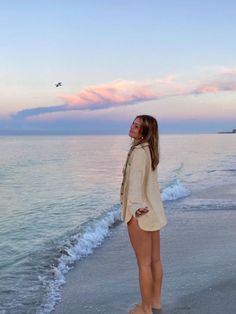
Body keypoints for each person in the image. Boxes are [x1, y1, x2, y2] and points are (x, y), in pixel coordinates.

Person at [120, 115, 167, 314]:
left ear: (145, 132)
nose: (133, 127)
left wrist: (135, 207)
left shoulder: (139, 152)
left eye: (138, 126)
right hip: (153, 211)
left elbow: (136, 181)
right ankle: (155, 302)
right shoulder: (150, 150)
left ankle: (145, 309)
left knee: (144, 264)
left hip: (140, 214)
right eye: (133, 123)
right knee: (155, 260)